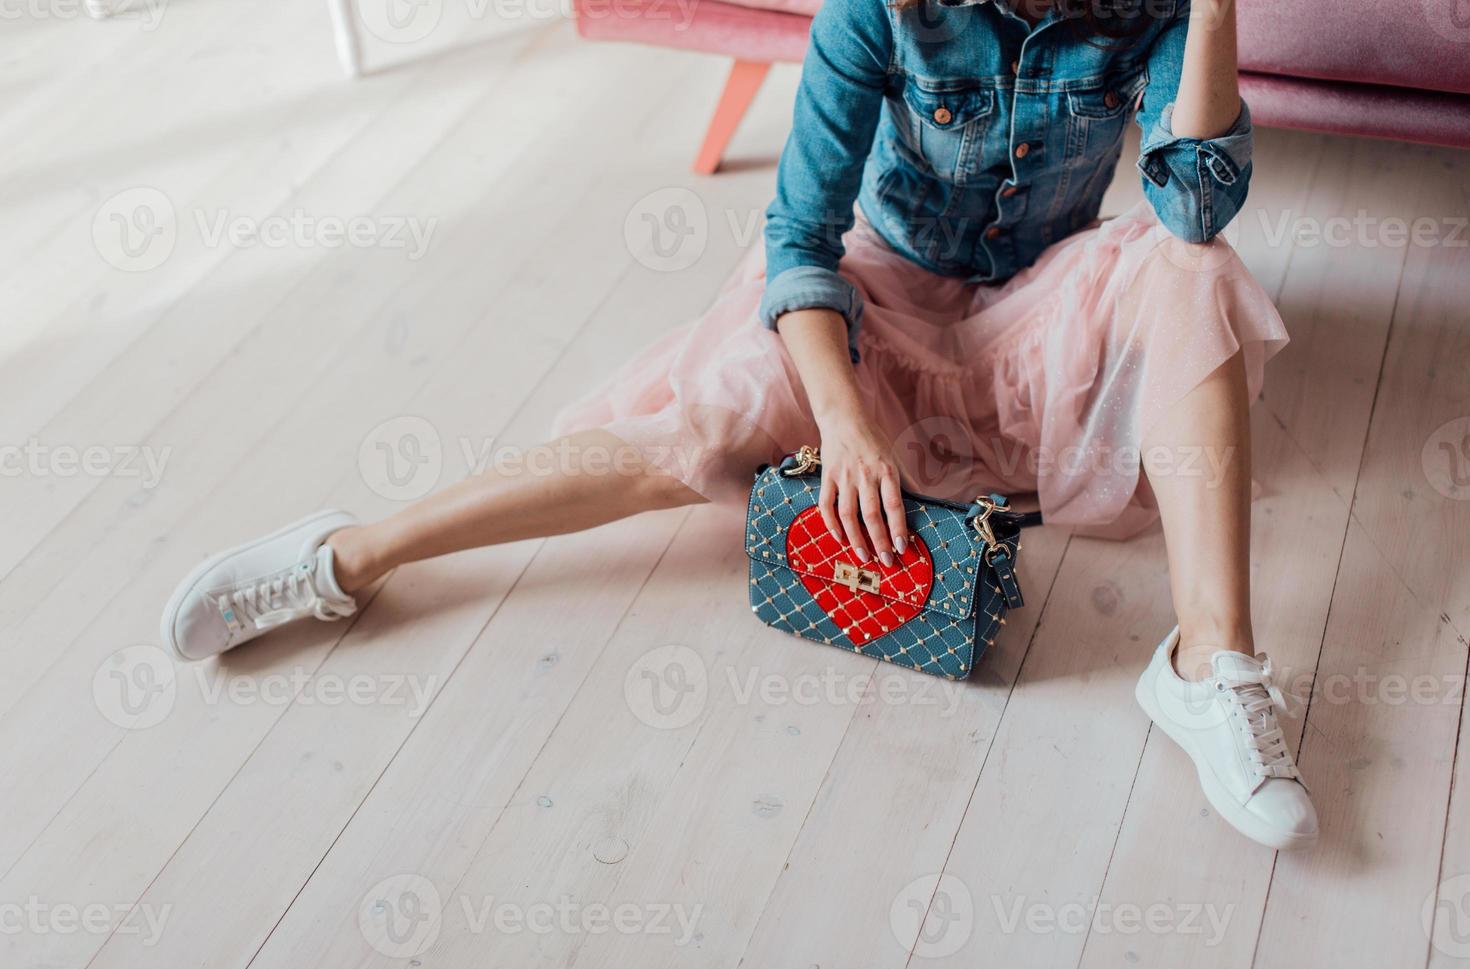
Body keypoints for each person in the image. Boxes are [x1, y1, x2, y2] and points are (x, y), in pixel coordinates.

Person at [160, 0, 1316, 850]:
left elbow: (1194, 205)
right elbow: (801, 242)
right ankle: (351, 554)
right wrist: (847, 421)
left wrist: (1212, 9)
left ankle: (1209, 665)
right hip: (876, 291)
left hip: (1035, 314)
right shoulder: (880, 10)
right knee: (705, 435)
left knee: (1193, 271)